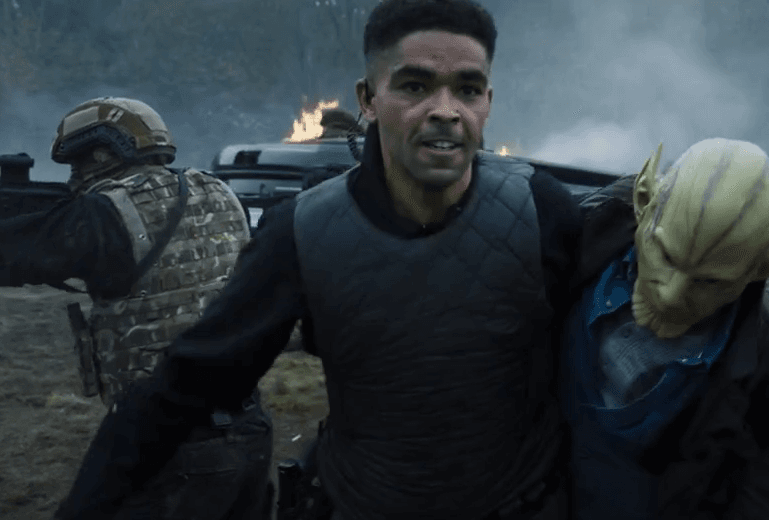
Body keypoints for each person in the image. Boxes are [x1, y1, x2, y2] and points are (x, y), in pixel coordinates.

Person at [54, 2, 582, 519]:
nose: (445, 110)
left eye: (467, 89)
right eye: (414, 86)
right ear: (368, 99)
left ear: (487, 101)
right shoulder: (305, 231)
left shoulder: (542, 211)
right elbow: (186, 384)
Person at [0, 97, 274, 520]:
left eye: (78, 164)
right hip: (249, 429)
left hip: (169, 441)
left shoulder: (108, 213)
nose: (72, 178)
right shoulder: (218, 191)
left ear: (104, 154)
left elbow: (19, 252)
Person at [563, 138, 769, 519]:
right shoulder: (566, 243)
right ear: (644, 204)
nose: (671, 295)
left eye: (710, 281)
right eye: (666, 256)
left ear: (759, 271)